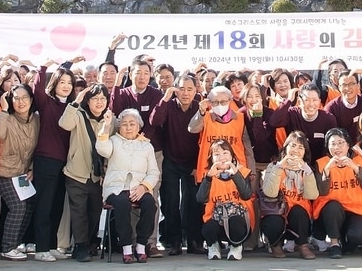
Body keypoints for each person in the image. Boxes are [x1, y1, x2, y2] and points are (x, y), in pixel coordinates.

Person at [28, 62, 79, 261]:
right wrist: (42, 68)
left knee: (58, 205)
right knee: (44, 205)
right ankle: (41, 248)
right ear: (55, 83)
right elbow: (37, 89)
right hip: (46, 161)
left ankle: (52, 246)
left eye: (69, 82)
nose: (66, 86)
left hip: (65, 164)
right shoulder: (46, 102)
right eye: (62, 82)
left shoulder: (74, 107)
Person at [151, 72, 205, 256]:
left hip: (193, 163)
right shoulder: (168, 105)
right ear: (175, 90)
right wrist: (165, 99)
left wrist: (199, 165)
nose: (185, 93)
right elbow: (155, 121)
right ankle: (173, 241)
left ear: (196, 90)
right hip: (171, 161)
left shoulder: (200, 107)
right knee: (170, 202)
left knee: (193, 202)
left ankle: (194, 241)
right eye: (181, 89)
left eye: (190, 89)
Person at [96, 108, 159, 264]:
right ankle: (126, 247)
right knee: (122, 203)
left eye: (132, 124)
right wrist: (106, 125)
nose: (129, 127)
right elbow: (101, 148)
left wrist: (144, 187)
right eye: (124, 124)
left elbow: (153, 172)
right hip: (116, 188)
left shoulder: (147, 146)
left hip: (138, 188)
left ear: (138, 127)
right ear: (119, 127)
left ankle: (141, 245)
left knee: (150, 203)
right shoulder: (114, 141)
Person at [60, 83, 110, 262]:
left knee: (94, 211)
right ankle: (80, 246)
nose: (99, 102)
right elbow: (64, 124)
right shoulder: (78, 115)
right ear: (88, 101)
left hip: (97, 176)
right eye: (95, 98)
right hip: (76, 173)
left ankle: (88, 243)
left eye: (103, 98)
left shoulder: (110, 120)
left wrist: (105, 172)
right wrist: (76, 102)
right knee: (79, 211)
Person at [0, 85, 40, 260]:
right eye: (16, 98)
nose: (20, 102)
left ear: (31, 100)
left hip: (23, 172)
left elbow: (37, 147)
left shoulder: (36, 119)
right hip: (3, 170)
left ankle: (15, 243)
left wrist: (32, 167)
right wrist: (3, 110)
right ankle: (7, 247)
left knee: (31, 203)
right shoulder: (7, 118)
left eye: (24, 97)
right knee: (18, 206)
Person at [312, 127, 362, 257]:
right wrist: (328, 169)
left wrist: (354, 167)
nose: (337, 147)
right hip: (331, 213)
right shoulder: (321, 163)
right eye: (333, 144)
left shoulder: (359, 160)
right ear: (328, 147)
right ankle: (334, 244)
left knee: (361, 236)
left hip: (356, 210)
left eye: (341, 143)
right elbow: (322, 191)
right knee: (333, 207)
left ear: (348, 145)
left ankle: (348, 243)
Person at [260, 131, 321, 259]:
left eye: (300, 147)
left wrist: (306, 170)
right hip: (277, 211)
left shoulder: (307, 169)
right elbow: (269, 193)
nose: (296, 150)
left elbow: (312, 195)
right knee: (272, 221)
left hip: (297, 216)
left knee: (299, 212)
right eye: (292, 146)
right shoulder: (274, 166)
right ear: (285, 147)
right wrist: (280, 168)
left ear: (305, 152)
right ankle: (275, 245)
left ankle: (302, 245)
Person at [197, 140, 255, 261]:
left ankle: (236, 246)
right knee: (208, 227)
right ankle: (213, 245)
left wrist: (235, 174)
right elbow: (200, 198)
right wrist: (208, 177)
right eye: (217, 154)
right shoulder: (208, 176)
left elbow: (246, 195)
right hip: (217, 222)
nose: (222, 157)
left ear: (232, 156)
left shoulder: (243, 173)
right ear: (211, 159)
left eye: (225, 153)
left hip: (239, 224)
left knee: (236, 221)